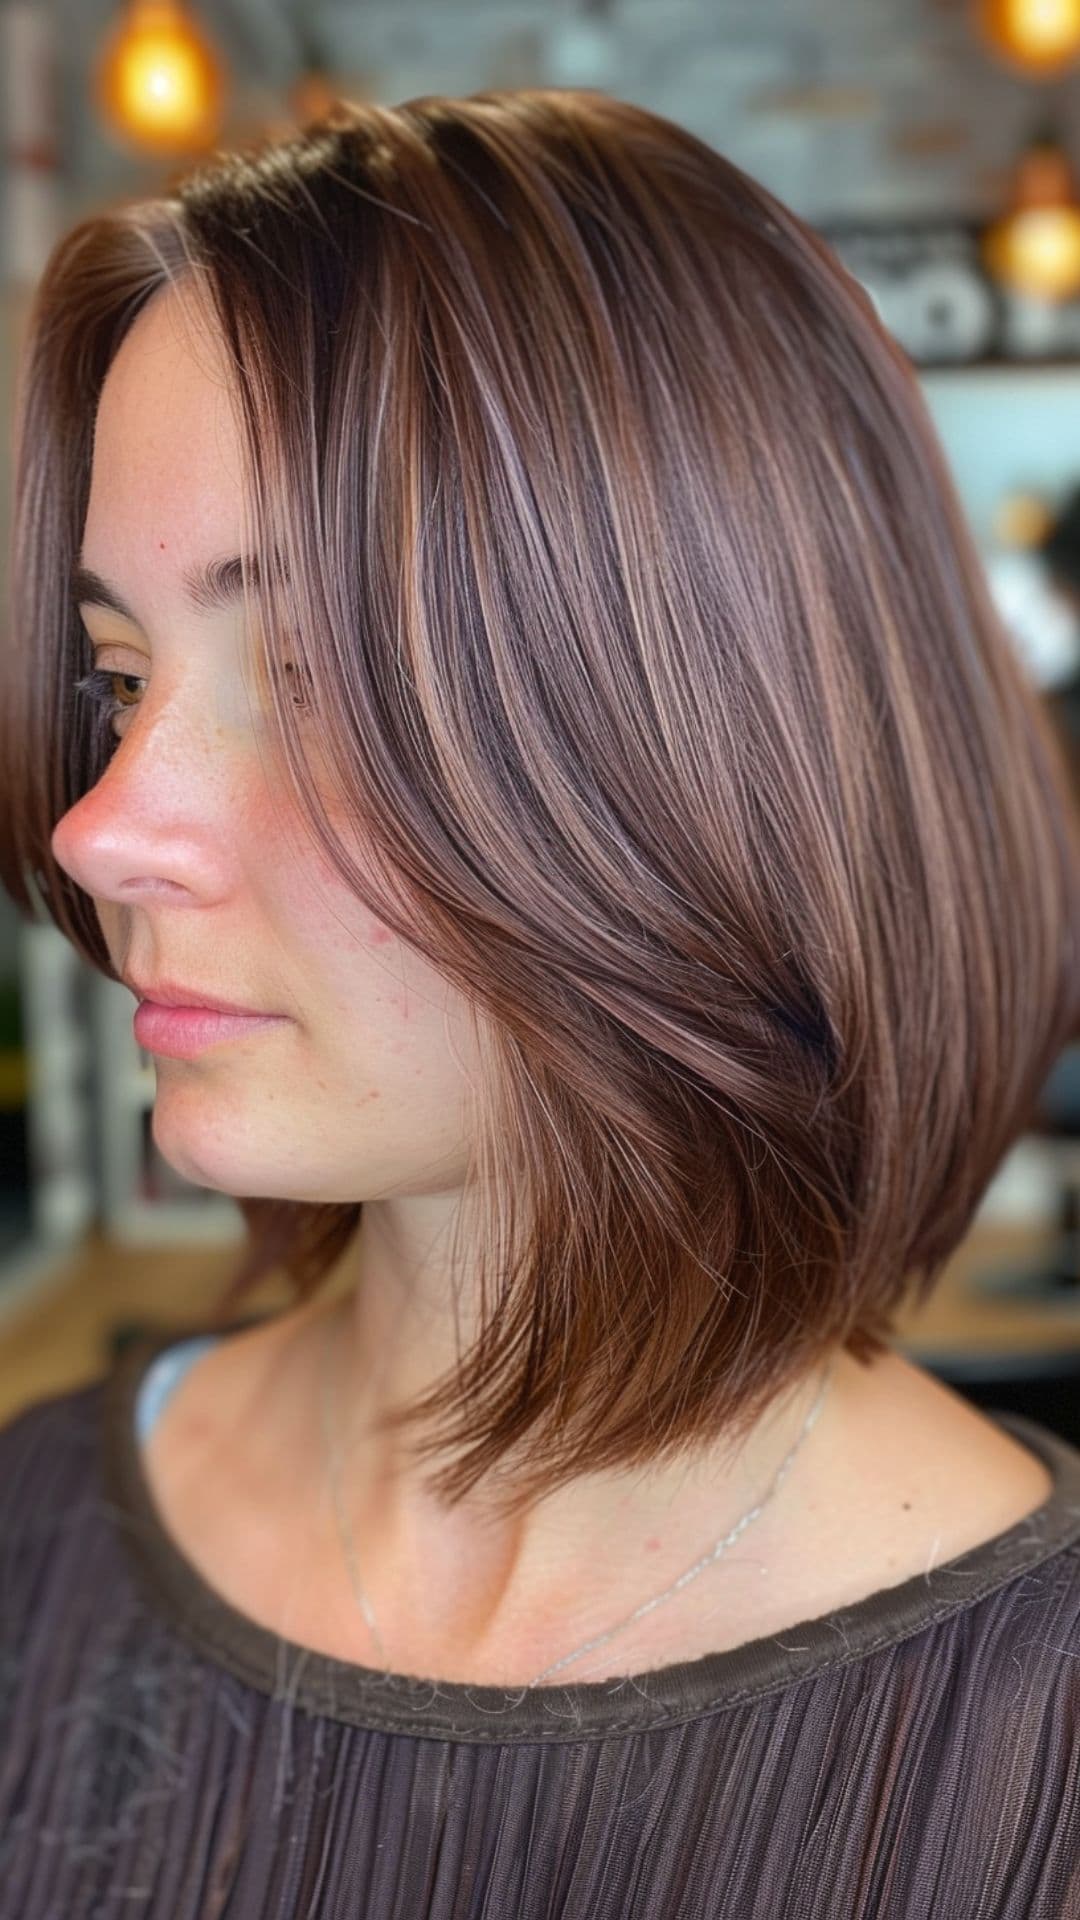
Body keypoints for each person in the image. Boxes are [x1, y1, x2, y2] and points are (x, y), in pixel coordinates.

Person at [0, 87, 1078, 1918]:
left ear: (710, 739)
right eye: (117, 677)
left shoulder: (1030, 1766)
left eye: (323, 674)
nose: (103, 830)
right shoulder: (29, 1546)